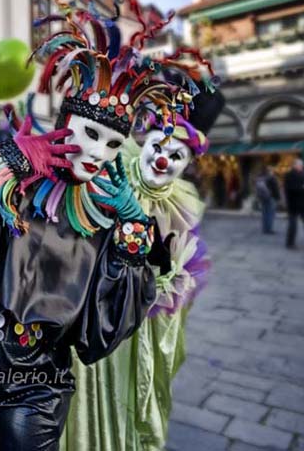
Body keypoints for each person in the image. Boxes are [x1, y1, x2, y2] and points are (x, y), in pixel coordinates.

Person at [0, 0, 171, 451]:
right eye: (90, 133)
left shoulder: (103, 207)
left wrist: (134, 230)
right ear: (65, 121)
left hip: (36, 371)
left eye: (112, 144)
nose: (97, 152)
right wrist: (11, 160)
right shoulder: (4, 154)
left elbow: (104, 323)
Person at [61, 56, 224, 451]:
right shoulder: (109, 172)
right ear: (145, 140)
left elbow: (176, 275)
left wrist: (156, 271)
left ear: (188, 164)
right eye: (159, 145)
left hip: (139, 331)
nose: (164, 159)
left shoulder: (184, 205)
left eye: (178, 155)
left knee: (128, 411)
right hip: (91, 322)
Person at [255, 166, 281, 234]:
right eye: (272, 170)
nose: (273, 172)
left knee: (264, 214)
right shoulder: (272, 178)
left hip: (263, 197)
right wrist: (278, 198)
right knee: (270, 214)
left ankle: (264, 228)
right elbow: (276, 189)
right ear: (270, 171)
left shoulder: (260, 177)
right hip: (271, 197)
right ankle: (269, 229)